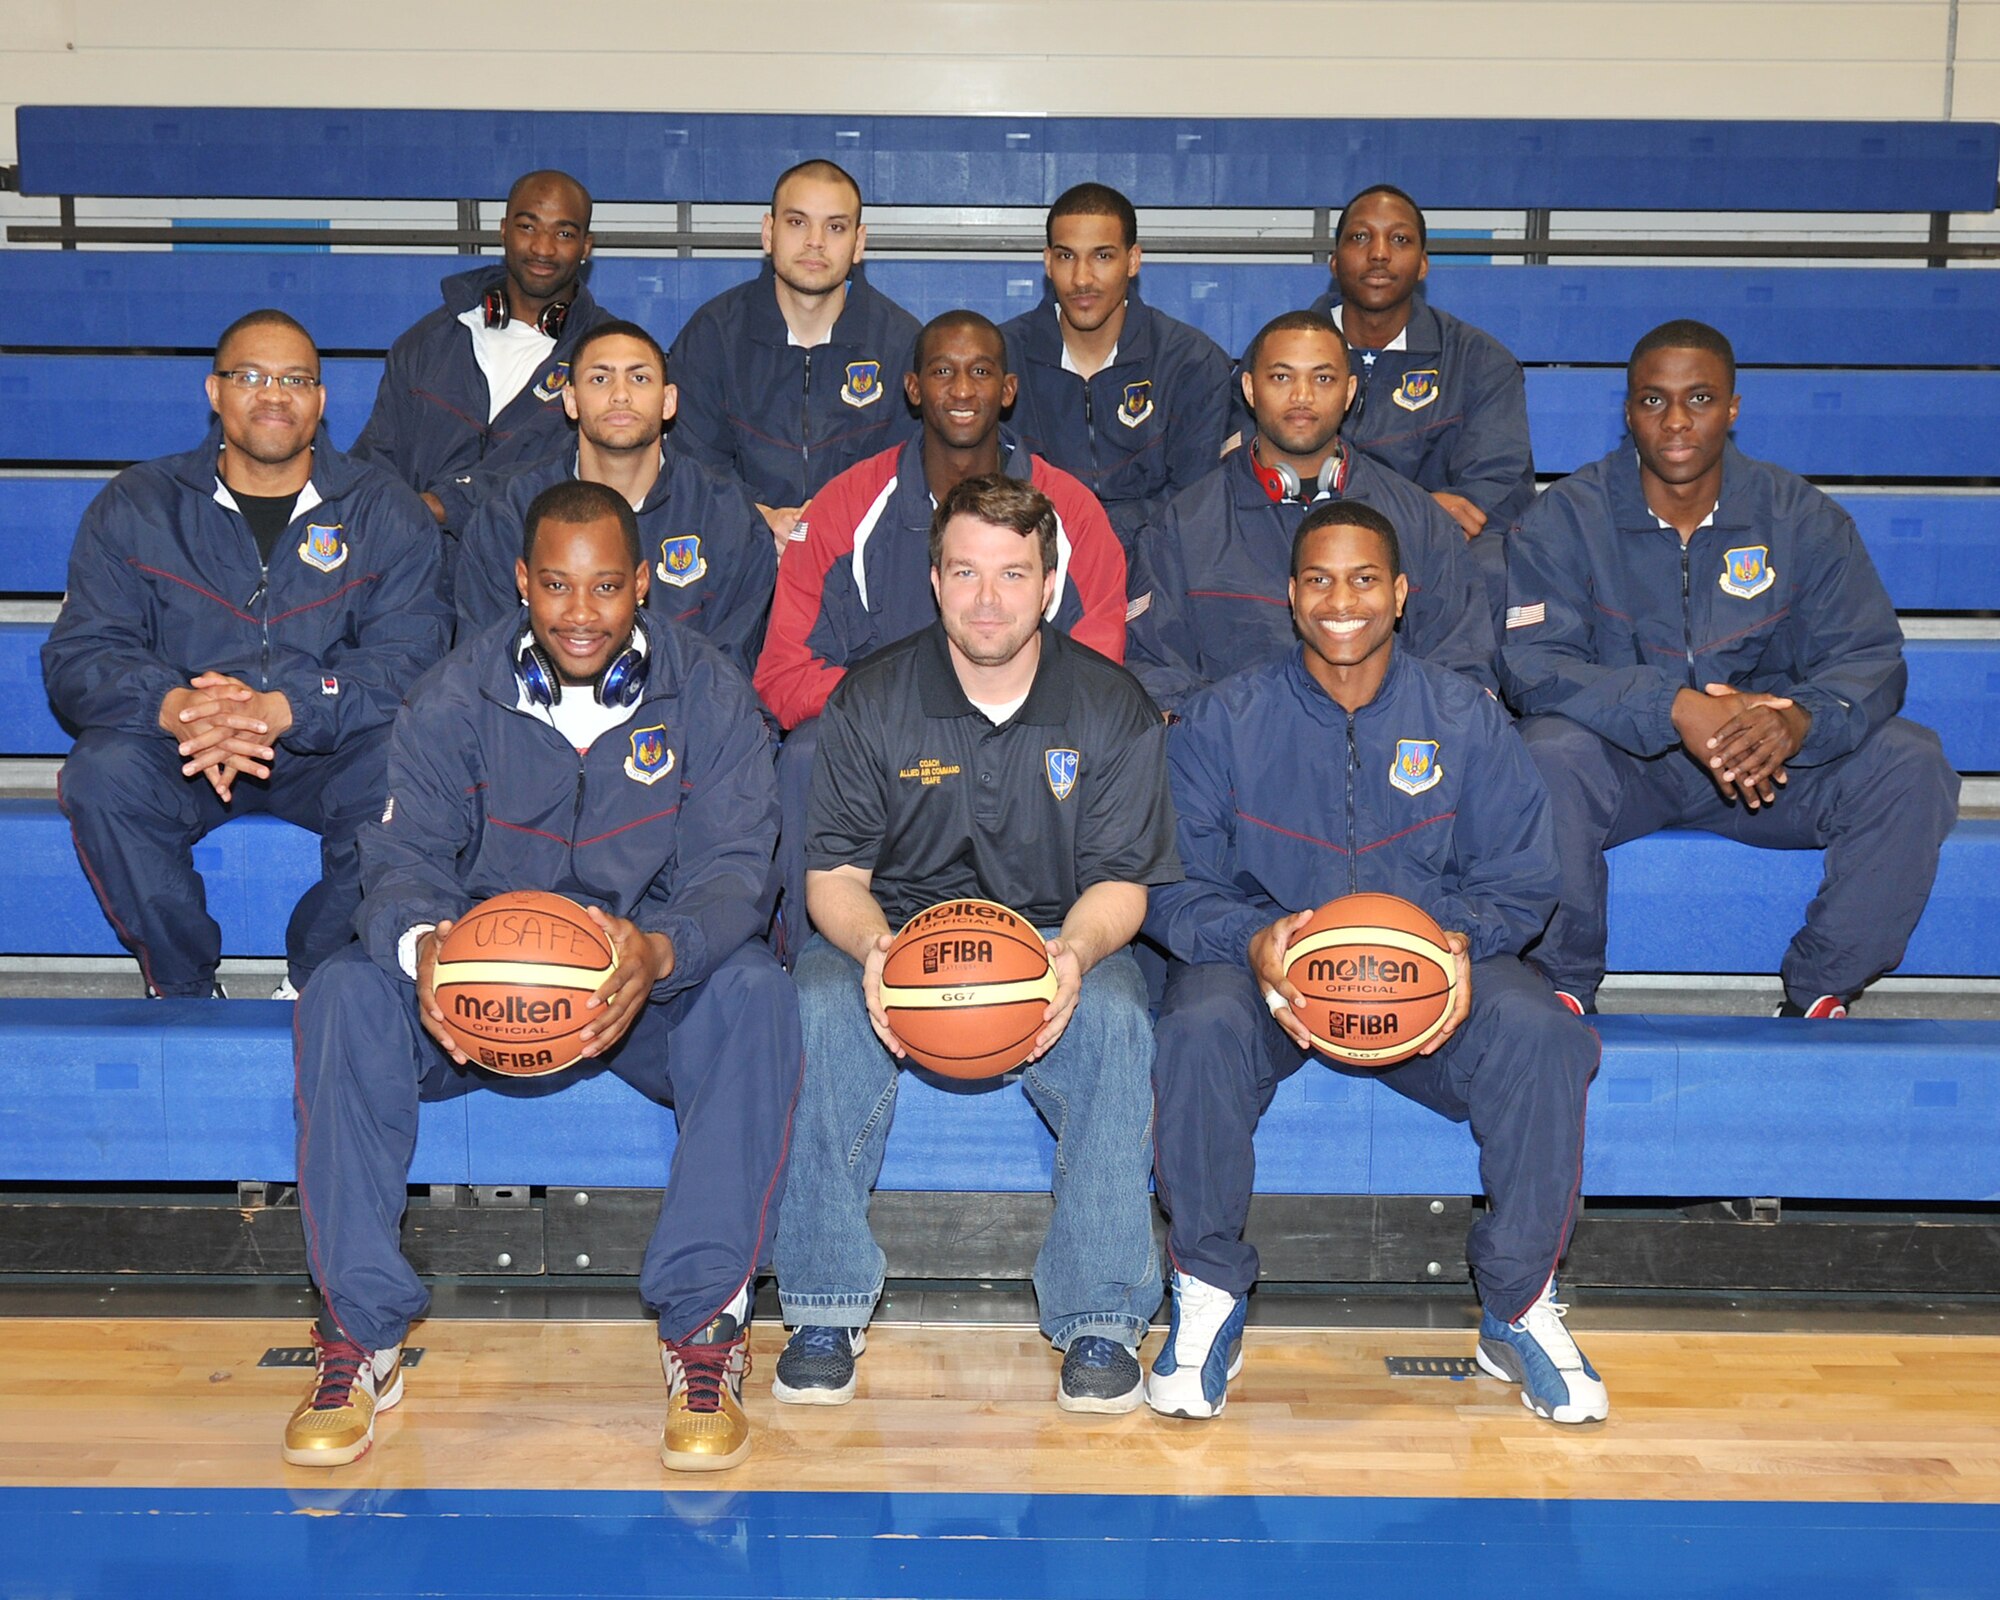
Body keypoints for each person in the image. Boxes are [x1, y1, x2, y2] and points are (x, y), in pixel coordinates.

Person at [284, 480, 800, 1474]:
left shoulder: (710, 696)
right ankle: (361, 1334)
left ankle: (702, 1331)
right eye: (556, 586)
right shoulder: (453, 695)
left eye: (605, 587)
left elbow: (737, 870)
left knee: (755, 993)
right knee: (346, 991)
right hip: (477, 991)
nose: (579, 613)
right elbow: (397, 867)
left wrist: (660, 951)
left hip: (638, 987)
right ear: (521, 582)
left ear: (642, 584)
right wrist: (426, 949)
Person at [1145, 501, 1604, 1426]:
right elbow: (1166, 883)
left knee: (1546, 1036)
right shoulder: (1219, 720)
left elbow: (1523, 879)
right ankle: (1207, 1294)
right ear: (1290, 595)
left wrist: (1463, 939)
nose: (1340, 600)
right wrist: (1252, 940)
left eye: (1363, 580)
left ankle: (1516, 1305)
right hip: (1272, 972)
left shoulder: (1465, 719)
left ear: (1400, 594)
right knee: (1194, 1027)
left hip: (1424, 966)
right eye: (1318, 579)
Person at [771, 474, 1179, 1414]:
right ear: (933, 579)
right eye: (965, 572)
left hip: (1049, 931)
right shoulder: (873, 699)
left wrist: (1072, 957)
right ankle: (825, 1304)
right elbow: (832, 878)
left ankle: (1101, 1319)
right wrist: (876, 955)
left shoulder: (1110, 704)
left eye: (1011, 574)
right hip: (901, 927)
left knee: (1118, 1014)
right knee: (819, 998)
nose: (987, 598)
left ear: (1048, 586)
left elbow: (1123, 884)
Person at [1500, 319, 1960, 1019]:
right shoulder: (1566, 516)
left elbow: (1868, 658)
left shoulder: (1800, 516)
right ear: (1627, 413)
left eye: (1700, 399)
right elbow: (1535, 666)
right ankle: (1563, 983)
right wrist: (1674, 707)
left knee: (1913, 761)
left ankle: (1820, 989)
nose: (1677, 421)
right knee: (1545, 754)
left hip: (1767, 768)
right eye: (1654, 401)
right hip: (1629, 766)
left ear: (1734, 408)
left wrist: (1801, 720)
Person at [42, 309, 448, 1000]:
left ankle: (315, 971)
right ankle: (182, 981)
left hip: (327, 746)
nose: (273, 393)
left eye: (295, 379)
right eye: (250, 376)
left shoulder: (384, 510)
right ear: (214, 392)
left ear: (321, 401)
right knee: (98, 775)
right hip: (187, 745)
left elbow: (413, 656)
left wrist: (285, 706)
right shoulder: (137, 505)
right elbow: (81, 654)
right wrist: (177, 707)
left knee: (415, 767)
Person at [753, 309, 1129, 956]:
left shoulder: (1071, 509)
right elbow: (782, 679)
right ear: (913, 387)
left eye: (980, 372)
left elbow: (1100, 677)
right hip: (886, 758)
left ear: (1007, 390)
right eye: (943, 372)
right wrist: (911, 705)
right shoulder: (848, 504)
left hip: (1028, 743)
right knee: (811, 751)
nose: (961, 390)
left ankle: (1065, 947)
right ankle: (814, 957)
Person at [1126, 310, 1494, 712]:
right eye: (1281, 377)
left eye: (1323, 378)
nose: (1302, 396)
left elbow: (1462, 667)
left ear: (1350, 391)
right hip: (1239, 757)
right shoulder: (1183, 526)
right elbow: (1156, 672)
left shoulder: (1419, 520)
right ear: (1249, 389)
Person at [454, 320, 776, 674]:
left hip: (684, 725)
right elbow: (484, 668)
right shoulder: (508, 517)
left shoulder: (728, 518)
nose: (620, 394)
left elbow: (726, 678)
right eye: (600, 379)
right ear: (571, 401)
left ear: (668, 402)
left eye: (639, 379)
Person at [668, 159, 920, 553]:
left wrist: (834, 522)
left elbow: (910, 470)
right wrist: (762, 517)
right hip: (738, 554)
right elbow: (690, 463)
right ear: (768, 233)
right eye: (797, 222)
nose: (815, 241)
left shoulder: (901, 343)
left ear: (859, 243)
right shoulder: (713, 335)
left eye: (835, 227)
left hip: (863, 559)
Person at [1310, 183, 1535, 619]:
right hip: (1310, 538)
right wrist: (1413, 507)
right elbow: (1257, 469)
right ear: (1334, 263)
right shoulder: (1284, 354)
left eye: (1399, 239)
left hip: (1437, 550)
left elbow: (1495, 491)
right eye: (1360, 237)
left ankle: (1472, 689)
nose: (1379, 253)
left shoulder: (1480, 361)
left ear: (1424, 265)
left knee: (1495, 564)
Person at [351, 170, 608, 535]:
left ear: (586, 246)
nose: (543, 248)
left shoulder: (607, 359)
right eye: (527, 227)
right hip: (417, 568)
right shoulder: (427, 341)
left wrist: (447, 504)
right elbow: (377, 460)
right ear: (503, 230)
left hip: (539, 571)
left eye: (563, 233)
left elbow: (578, 474)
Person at [1000, 182, 1233, 547]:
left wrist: (1099, 532)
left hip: (1156, 561)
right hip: (1035, 559)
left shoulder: (1192, 363)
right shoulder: (1001, 359)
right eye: (1066, 257)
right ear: (1047, 262)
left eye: (1102, 256)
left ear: (1133, 260)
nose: (1081, 278)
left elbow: (1194, 503)